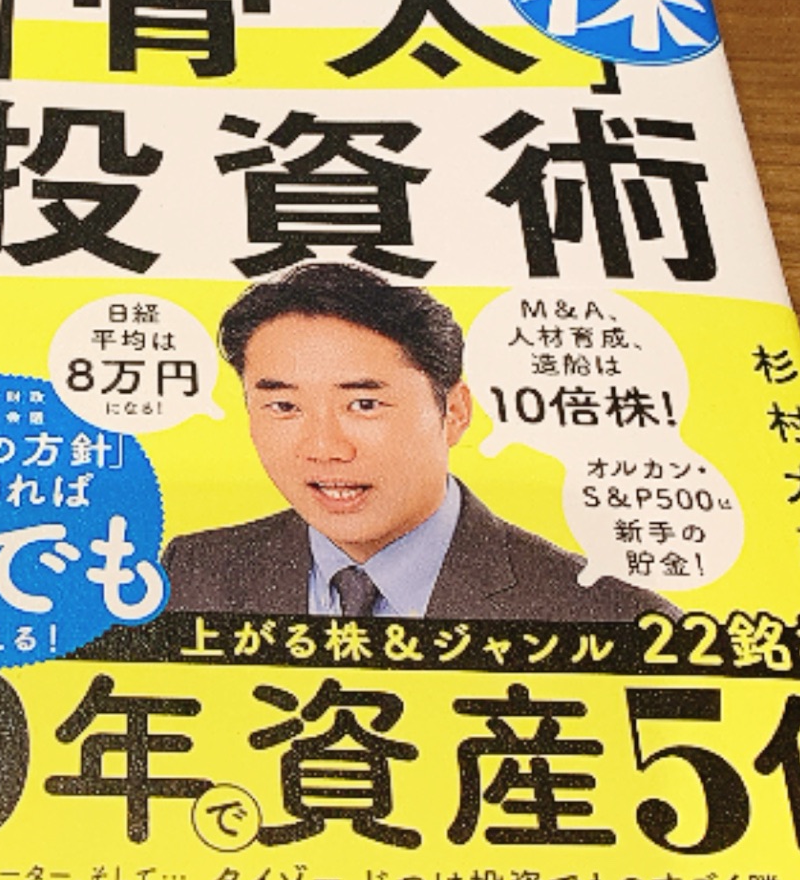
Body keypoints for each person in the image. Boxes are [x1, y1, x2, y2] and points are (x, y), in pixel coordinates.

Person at [161, 262, 681, 622]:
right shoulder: (195, 571)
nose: (324, 448)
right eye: (284, 406)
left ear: (454, 413)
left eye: (364, 404)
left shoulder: (616, 618)